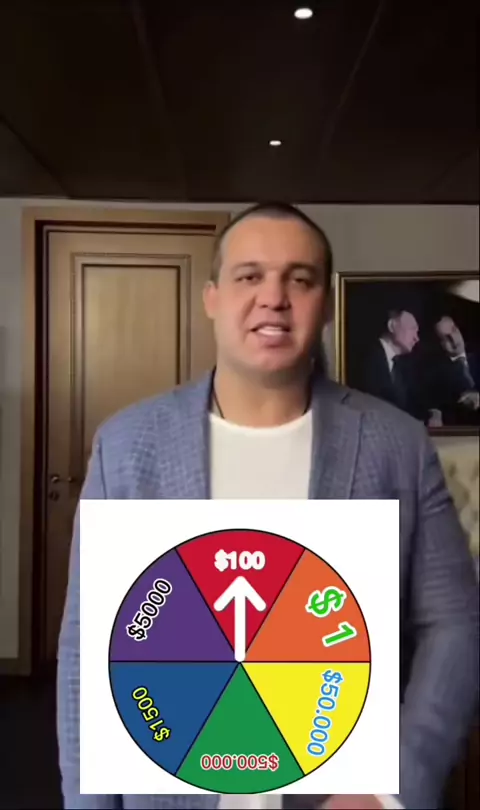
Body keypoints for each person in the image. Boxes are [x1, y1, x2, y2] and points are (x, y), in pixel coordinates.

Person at [57, 202, 479, 810]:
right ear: (212, 298)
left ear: (323, 305)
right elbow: (87, 650)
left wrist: (391, 791)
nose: (274, 298)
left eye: (299, 279)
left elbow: (454, 624)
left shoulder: (397, 444)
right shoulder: (127, 445)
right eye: (249, 276)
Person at [358, 310, 421, 417]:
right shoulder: (367, 356)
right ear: (391, 326)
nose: (417, 338)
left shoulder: (402, 366)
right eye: (412, 329)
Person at [428, 316, 480, 424]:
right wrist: (435, 413)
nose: (453, 339)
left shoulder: (477, 356)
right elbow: (435, 404)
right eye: (446, 337)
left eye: (454, 330)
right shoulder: (435, 374)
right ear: (440, 344)